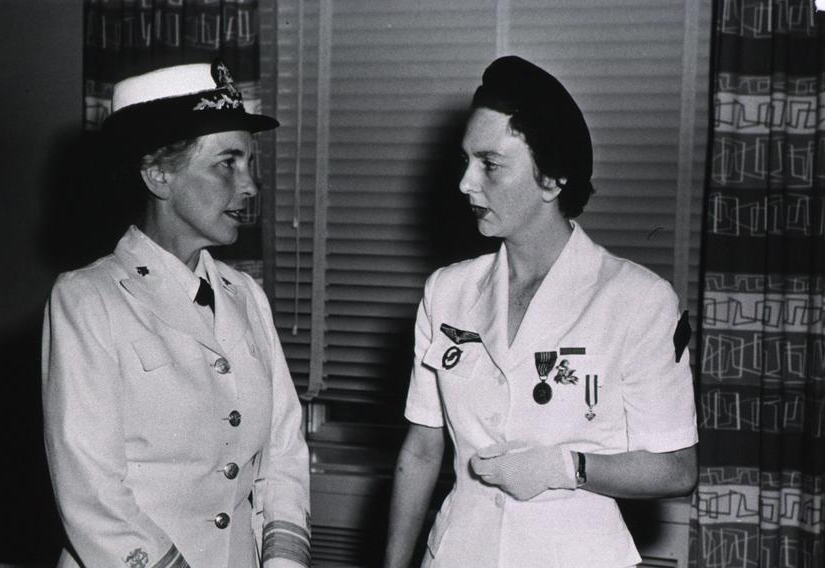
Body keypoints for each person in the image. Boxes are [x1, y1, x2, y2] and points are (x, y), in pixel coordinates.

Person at [383, 55, 698, 568]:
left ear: (552, 179)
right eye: (465, 161)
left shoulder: (638, 300)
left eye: (489, 164)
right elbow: (421, 451)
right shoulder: (448, 291)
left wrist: (564, 466)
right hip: (460, 552)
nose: (465, 182)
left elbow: (675, 468)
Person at [42, 61, 310, 568]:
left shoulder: (245, 295)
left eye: (249, 164)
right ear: (159, 174)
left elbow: (284, 453)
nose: (250, 185)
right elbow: (91, 493)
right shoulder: (87, 300)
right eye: (227, 163)